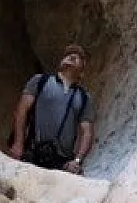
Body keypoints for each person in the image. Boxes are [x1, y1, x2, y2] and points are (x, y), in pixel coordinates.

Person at [7, 43, 95, 173]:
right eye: (68, 55)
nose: (71, 56)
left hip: (61, 163)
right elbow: (22, 110)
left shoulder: (84, 98)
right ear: (60, 62)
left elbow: (87, 131)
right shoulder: (40, 81)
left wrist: (77, 161)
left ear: (82, 71)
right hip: (33, 152)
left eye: (78, 57)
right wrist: (18, 143)